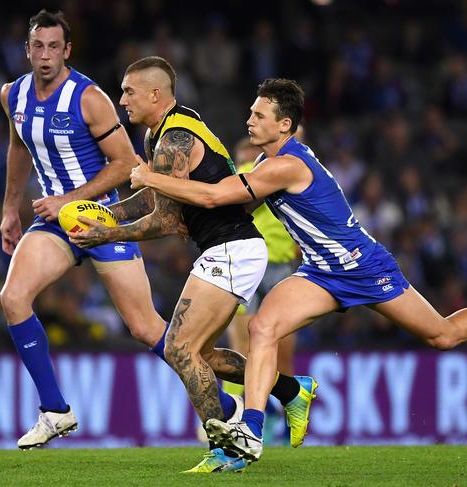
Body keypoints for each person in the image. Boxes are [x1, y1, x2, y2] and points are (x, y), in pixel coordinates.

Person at [131, 78, 467, 465]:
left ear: (284, 125)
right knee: (263, 326)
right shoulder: (268, 166)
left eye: (259, 115)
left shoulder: (287, 165)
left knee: (442, 335)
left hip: (364, 267)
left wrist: (150, 177)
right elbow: (219, 201)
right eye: (250, 112)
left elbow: (214, 198)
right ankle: (251, 427)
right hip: (320, 273)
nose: (249, 120)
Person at [0, 10, 242, 452]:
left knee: (147, 328)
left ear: (67, 50)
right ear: (27, 49)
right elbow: (18, 146)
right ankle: (55, 410)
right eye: (38, 46)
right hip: (53, 221)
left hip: (102, 218)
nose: (46, 55)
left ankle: (225, 404)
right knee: (12, 298)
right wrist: (10, 209)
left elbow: (127, 164)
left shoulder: (89, 98)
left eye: (55, 46)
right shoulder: (12, 95)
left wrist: (71, 199)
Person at [67, 58, 316, 473]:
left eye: (129, 91)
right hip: (226, 248)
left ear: (154, 95)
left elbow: (166, 221)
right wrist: (106, 216)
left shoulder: (175, 139)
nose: (122, 99)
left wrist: (105, 235)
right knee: (197, 352)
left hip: (233, 247)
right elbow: (156, 201)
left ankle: (226, 445)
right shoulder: (159, 135)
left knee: (178, 348)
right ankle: (290, 390)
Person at [223, 137, 299, 444]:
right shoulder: (281, 175)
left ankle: (233, 417)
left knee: (241, 346)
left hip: (247, 267)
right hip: (274, 266)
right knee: (281, 351)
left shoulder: (240, 177)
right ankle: (281, 422)